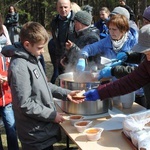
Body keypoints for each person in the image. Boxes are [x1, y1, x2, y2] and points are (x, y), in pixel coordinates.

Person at [1, 21, 84, 150]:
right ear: (27, 44)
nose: (42, 51)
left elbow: (44, 84)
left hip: (42, 130)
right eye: (40, 48)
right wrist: (52, 115)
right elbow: (25, 104)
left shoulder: (33, 57)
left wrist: (66, 93)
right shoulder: (20, 67)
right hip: (34, 134)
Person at [83, 24, 150, 107]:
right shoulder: (147, 63)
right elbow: (129, 82)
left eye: (149, 53)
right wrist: (100, 93)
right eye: (145, 54)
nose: (147, 58)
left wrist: (114, 71)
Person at [0, 13, 19, 150]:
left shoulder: (5, 45)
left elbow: (10, 62)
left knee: (11, 128)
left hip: (6, 95)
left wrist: (8, 76)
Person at [48, 0, 75, 84]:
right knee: (61, 80)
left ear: (70, 8)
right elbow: (56, 40)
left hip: (73, 55)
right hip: (59, 56)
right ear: (57, 8)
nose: (63, 9)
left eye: (65, 7)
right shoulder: (54, 22)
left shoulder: (76, 21)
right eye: (61, 7)